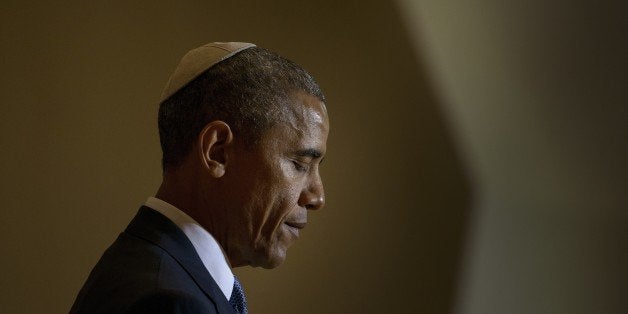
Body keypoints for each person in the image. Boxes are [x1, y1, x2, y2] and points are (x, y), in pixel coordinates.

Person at [70, 42, 329, 314]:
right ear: (217, 152)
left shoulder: (149, 268)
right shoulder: (169, 302)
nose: (317, 196)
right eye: (300, 164)